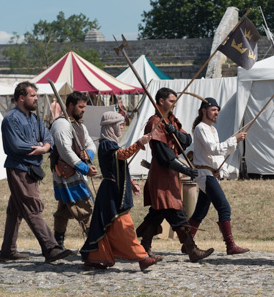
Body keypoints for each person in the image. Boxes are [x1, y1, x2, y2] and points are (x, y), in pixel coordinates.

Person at [134, 88, 213, 262]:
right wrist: (187, 170)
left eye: (175, 101)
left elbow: (187, 141)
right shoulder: (154, 122)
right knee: (177, 212)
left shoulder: (171, 121)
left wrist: (174, 132)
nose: (174, 104)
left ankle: (143, 248)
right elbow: (164, 157)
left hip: (170, 175)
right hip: (162, 176)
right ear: (161, 101)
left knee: (157, 213)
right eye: (171, 101)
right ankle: (192, 250)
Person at [0, 81, 72, 263]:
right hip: (19, 168)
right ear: (21, 97)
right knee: (32, 207)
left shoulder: (35, 118)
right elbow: (16, 145)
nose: (36, 99)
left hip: (32, 169)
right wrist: (40, 147)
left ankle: (8, 250)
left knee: (15, 210)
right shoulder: (11, 119)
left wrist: (45, 146)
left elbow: (47, 137)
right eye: (32, 95)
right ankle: (51, 247)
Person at [80, 111, 158, 271]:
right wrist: (139, 142)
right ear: (111, 126)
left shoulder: (110, 144)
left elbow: (120, 167)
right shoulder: (106, 144)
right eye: (119, 124)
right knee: (125, 226)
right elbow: (122, 156)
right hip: (111, 192)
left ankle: (95, 257)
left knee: (109, 227)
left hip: (114, 190)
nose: (122, 127)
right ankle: (142, 257)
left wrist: (131, 182)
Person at [187, 97, 249, 254]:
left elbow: (218, 153)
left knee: (200, 211)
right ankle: (230, 246)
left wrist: (219, 169)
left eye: (217, 110)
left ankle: (187, 243)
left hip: (210, 173)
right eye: (213, 110)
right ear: (204, 111)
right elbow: (214, 149)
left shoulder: (212, 129)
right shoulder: (201, 128)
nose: (216, 113)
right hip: (204, 174)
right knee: (224, 207)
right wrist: (234, 139)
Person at [49, 90, 98, 249]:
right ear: (70, 105)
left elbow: (90, 144)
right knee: (83, 209)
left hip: (75, 172)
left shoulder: (78, 124)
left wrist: (87, 154)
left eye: (84, 107)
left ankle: (57, 244)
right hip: (66, 173)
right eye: (81, 106)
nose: (83, 110)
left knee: (63, 211)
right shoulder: (61, 124)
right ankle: (94, 245)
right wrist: (84, 167)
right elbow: (65, 152)